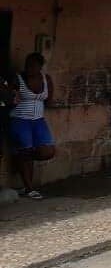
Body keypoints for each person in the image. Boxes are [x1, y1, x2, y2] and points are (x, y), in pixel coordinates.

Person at [7, 52, 56, 199]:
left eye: (33, 66)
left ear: (40, 67)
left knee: (47, 151)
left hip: (38, 120)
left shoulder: (46, 79)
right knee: (26, 151)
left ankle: (20, 158)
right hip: (20, 119)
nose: (29, 68)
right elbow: (10, 96)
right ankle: (29, 188)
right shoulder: (18, 78)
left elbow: (49, 101)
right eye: (27, 65)